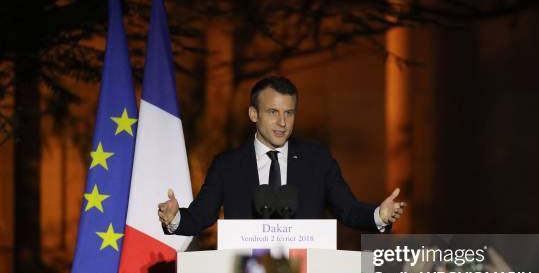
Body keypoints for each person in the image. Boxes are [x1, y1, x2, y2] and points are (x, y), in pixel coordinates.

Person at [157, 76, 405, 235]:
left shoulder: (317, 160)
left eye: (289, 113)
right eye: (273, 112)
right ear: (254, 114)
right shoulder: (228, 165)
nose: (282, 122)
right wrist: (175, 218)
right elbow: (201, 216)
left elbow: (348, 209)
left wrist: (378, 215)